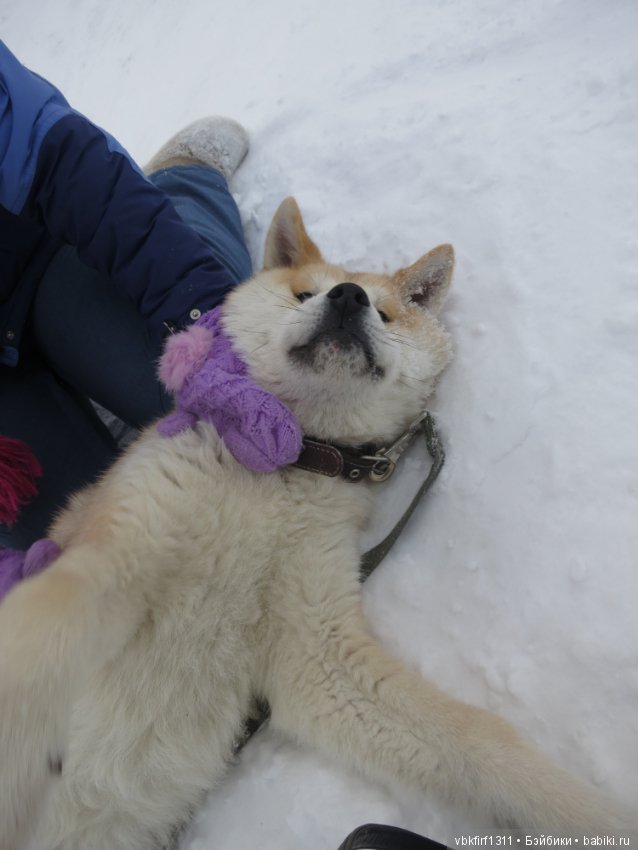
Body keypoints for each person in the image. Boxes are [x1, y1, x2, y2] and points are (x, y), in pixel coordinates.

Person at [0, 40, 256, 548]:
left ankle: (187, 181)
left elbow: (60, 162)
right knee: (104, 551)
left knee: (224, 405)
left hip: (43, 254)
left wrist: (201, 311)